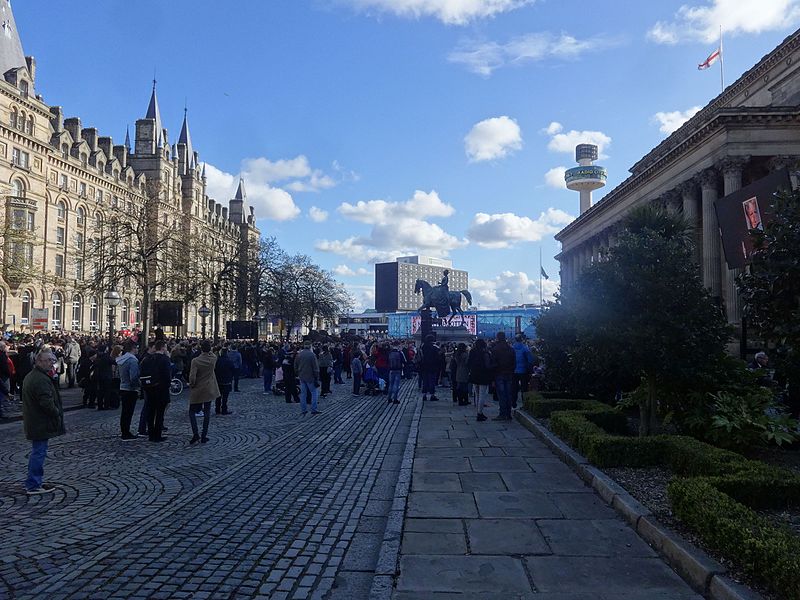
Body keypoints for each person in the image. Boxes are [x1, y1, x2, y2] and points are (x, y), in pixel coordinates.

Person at [21, 349, 64, 495]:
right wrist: (56, 412)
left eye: (52, 360)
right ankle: (33, 484)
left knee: (38, 451)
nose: (52, 363)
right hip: (39, 422)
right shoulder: (40, 379)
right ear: (39, 361)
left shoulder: (34, 376)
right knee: (39, 453)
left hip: (35, 420)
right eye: (48, 361)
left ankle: (33, 481)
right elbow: (46, 403)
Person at [140, 340, 171, 442]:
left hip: (149, 388)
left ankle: (151, 433)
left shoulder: (149, 358)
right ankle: (157, 434)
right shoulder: (165, 359)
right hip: (161, 389)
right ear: (162, 348)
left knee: (151, 411)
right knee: (160, 413)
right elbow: (167, 375)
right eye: (165, 347)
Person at [189, 340, 219, 444]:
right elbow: (212, 354)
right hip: (209, 388)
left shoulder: (195, 361)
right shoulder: (213, 359)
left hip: (198, 388)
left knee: (192, 411)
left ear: (201, 349)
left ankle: (195, 433)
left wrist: (191, 384)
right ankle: (204, 435)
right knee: (207, 412)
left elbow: (192, 377)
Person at [117, 340, 140, 440]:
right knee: (129, 412)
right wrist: (137, 387)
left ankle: (124, 431)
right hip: (130, 389)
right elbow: (134, 376)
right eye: (136, 348)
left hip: (123, 386)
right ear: (133, 349)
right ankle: (126, 433)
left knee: (124, 412)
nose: (137, 349)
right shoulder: (132, 360)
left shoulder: (122, 360)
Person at [492, 332, 516, 421]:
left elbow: (493, 364)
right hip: (509, 373)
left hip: (499, 374)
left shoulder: (495, 349)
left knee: (501, 395)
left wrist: (493, 377)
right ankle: (508, 414)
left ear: (497, 338)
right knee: (508, 394)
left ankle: (502, 414)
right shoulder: (511, 349)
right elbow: (514, 363)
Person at [468, 338, 493, 422]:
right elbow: (488, 365)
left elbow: (469, 363)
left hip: (474, 374)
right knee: (482, 394)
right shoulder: (485, 353)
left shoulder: (472, 352)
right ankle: (479, 413)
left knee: (477, 393)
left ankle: (478, 411)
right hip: (483, 375)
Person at [294, 342, 321, 415]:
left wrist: (298, 373)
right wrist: (317, 377)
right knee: (314, 393)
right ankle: (313, 409)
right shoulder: (312, 355)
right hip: (310, 377)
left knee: (303, 394)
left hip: (302, 376)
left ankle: (303, 410)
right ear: (310, 346)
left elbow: (295, 366)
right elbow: (315, 368)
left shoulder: (299, 355)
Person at [512, 334, 534, 409]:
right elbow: (530, 360)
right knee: (524, 388)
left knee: (514, 388)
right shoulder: (525, 348)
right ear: (522, 339)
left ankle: (513, 403)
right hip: (523, 370)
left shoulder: (512, 348)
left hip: (514, 371)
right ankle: (524, 404)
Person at [419, 335, 440, 402]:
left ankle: (424, 395)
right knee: (432, 381)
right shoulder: (434, 348)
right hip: (432, 367)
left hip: (424, 367)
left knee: (425, 381)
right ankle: (432, 395)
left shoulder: (422, 347)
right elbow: (437, 358)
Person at [214, 347, 235, 415]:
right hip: (226, 381)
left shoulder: (217, 360)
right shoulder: (229, 361)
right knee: (225, 397)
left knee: (218, 396)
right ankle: (224, 409)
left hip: (218, 381)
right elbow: (233, 369)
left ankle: (217, 409)